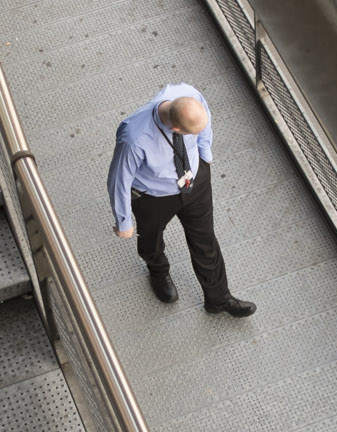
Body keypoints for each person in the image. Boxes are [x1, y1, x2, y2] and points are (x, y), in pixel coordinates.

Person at [107, 83, 257, 317]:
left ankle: (218, 298)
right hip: (153, 196)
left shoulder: (189, 95)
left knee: (205, 238)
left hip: (194, 181)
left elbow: (205, 123)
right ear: (175, 128)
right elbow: (119, 179)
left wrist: (205, 155)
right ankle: (158, 271)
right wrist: (124, 221)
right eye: (189, 134)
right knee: (151, 239)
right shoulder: (134, 137)